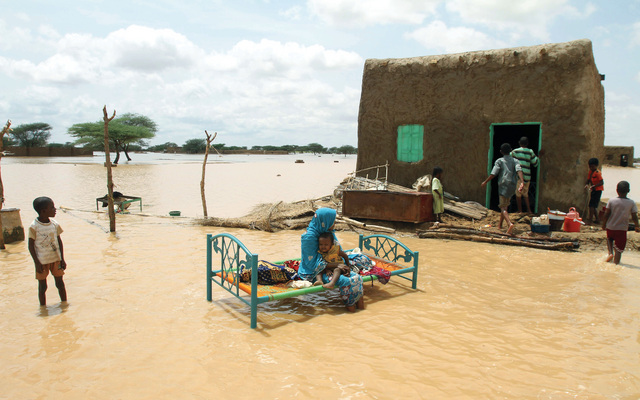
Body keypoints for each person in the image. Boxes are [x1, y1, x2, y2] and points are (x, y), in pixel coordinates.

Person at [300, 208, 364, 311]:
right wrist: (336, 266)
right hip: (315, 272)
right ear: (324, 222)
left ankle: (362, 310)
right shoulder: (308, 238)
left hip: (332, 265)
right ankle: (351, 310)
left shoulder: (327, 232)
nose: (334, 224)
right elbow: (312, 265)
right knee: (345, 281)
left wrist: (344, 265)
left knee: (357, 277)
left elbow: (338, 251)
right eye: (332, 221)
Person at [28, 197, 67, 306]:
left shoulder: (54, 224)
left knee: (60, 283)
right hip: (42, 261)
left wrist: (62, 259)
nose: (55, 209)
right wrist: (37, 263)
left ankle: (64, 305)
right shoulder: (34, 227)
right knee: (42, 286)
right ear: (43, 211)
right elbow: (30, 246)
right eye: (52, 207)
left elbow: (59, 242)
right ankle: (43, 307)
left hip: (56, 260)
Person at [481, 143, 525, 235]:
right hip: (512, 185)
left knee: (503, 207)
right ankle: (500, 225)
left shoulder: (499, 161)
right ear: (511, 150)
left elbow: (494, 173)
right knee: (505, 205)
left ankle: (509, 223)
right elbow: (519, 170)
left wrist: (486, 181)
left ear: (501, 152)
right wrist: (522, 182)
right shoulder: (515, 160)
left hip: (503, 185)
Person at [601, 181, 639, 264]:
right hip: (621, 229)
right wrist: (637, 226)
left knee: (609, 239)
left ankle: (610, 253)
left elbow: (606, 214)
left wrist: (604, 225)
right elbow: (634, 217)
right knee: (619, 249)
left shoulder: (611, 201)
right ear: (628, 191)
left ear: (616, 190)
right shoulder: (631, 203)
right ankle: (616, 263)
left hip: (610, 227)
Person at [510, 137, 539, 214]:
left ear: (519, 143)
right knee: (525, 193)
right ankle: (529, 210)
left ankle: (520, 210)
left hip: (519, 176)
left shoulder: (515, 151)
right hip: (527, 176)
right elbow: (535, 163)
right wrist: (538, 157)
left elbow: (508, 158)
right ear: (527, 144)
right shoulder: (530, 151)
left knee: (518, 193)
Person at [585, 158, 604, 223]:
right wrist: (587, 184)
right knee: (593, 206)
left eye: (592, 167)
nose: (591, 168)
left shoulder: (598, 173)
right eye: (590, 167)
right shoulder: (590, 172)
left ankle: (590, 220)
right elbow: (588, 180)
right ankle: (597, 219)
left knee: (592, 205)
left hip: (598, 190)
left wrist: (595, 186)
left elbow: (602, 182)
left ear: (596, 166)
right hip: (593, 190)